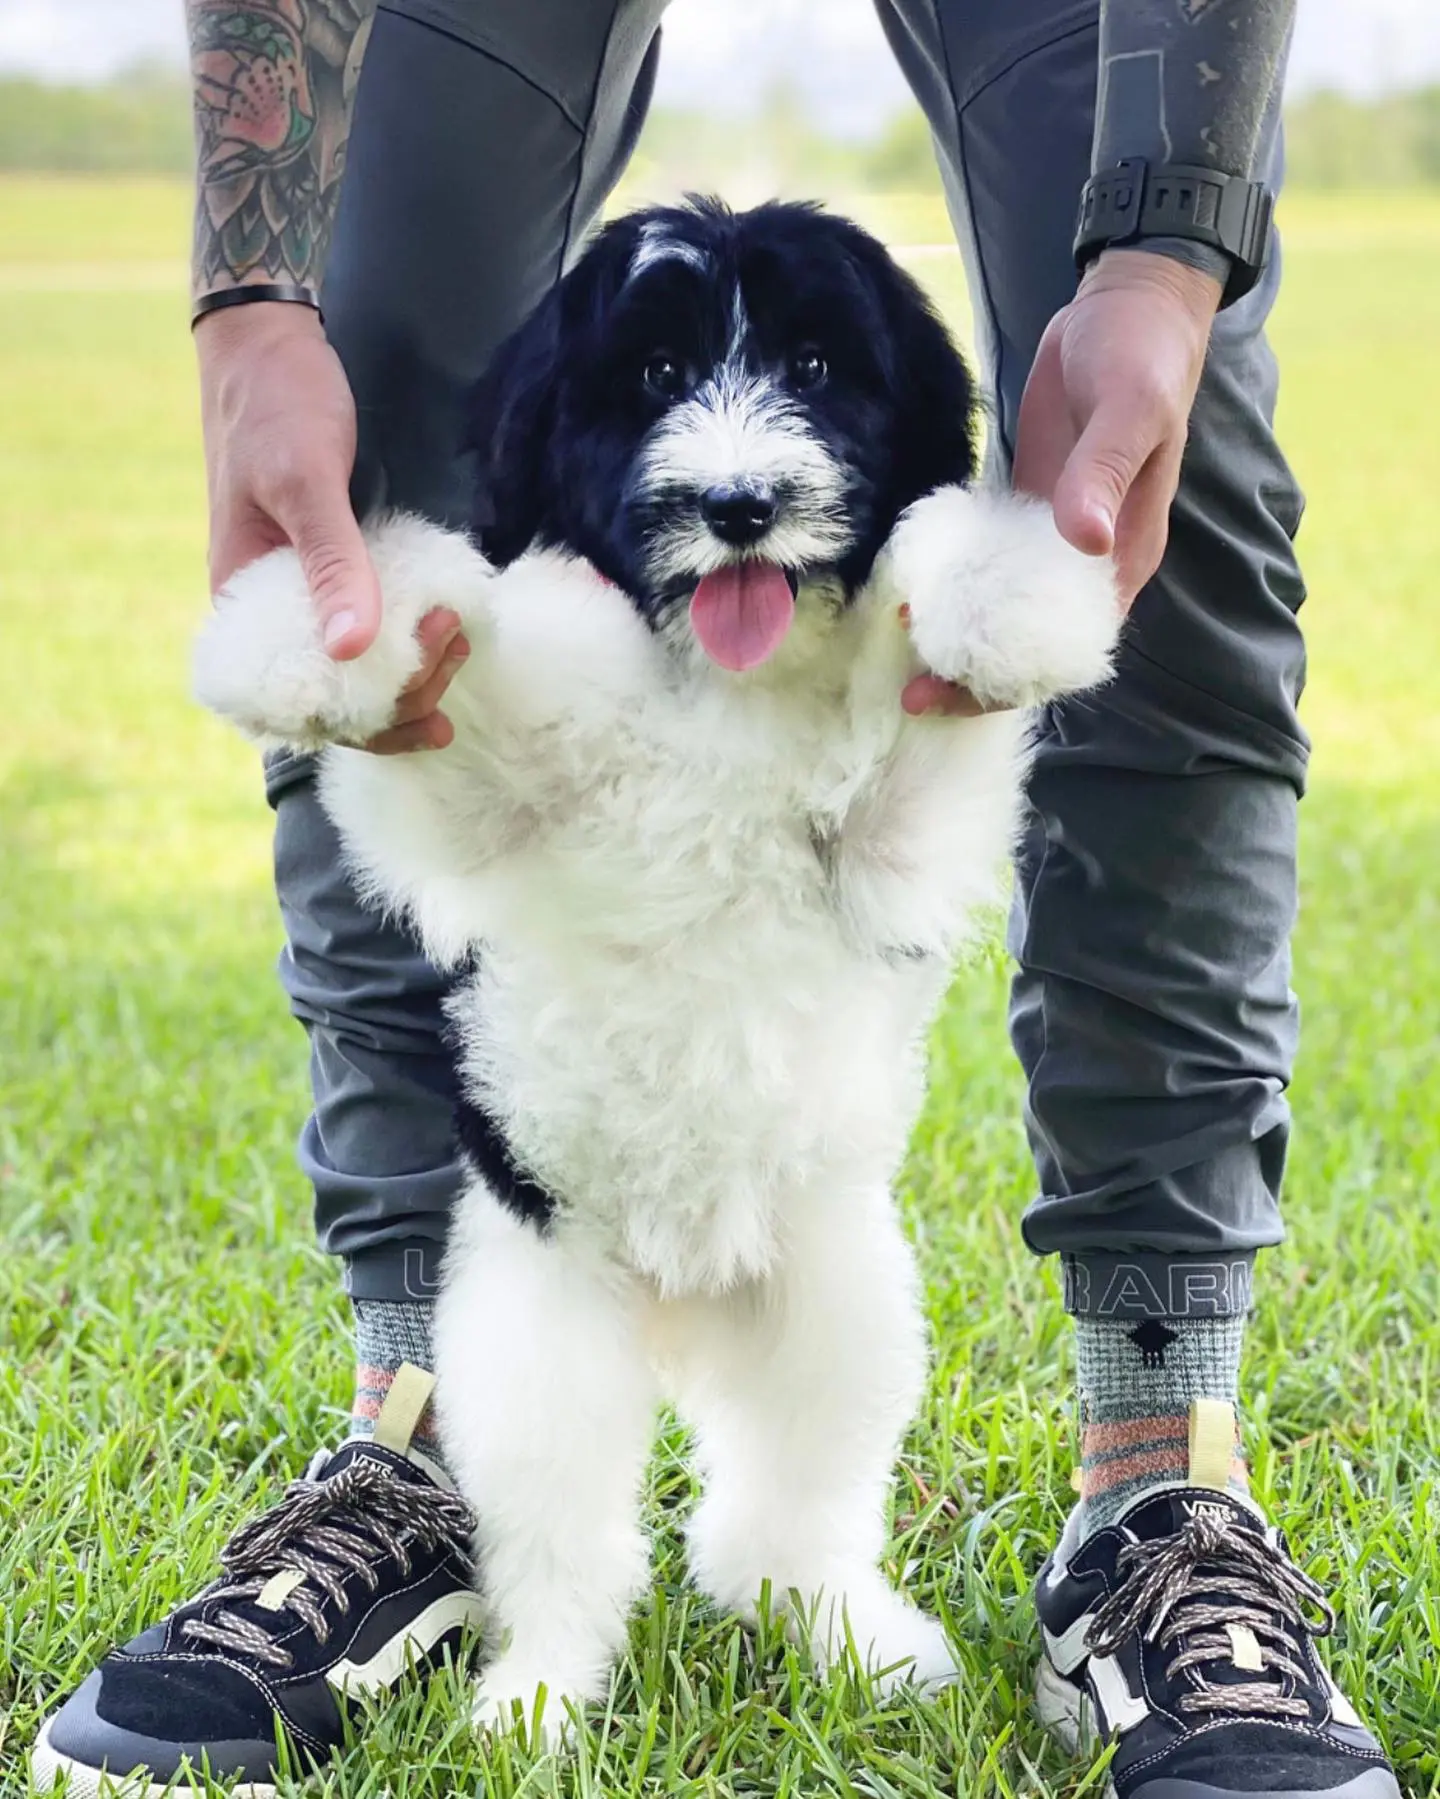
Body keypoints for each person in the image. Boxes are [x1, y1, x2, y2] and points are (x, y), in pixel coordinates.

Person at [31, 3, 1403, 1797]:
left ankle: (1164, 1462)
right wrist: (252, 303)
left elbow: (935, 791)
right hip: (570, 1149)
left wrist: (1161, 256)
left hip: (796, 1154)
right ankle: (415, 1434)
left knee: (1169, 449)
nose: (742, 459)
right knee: (361, 417)